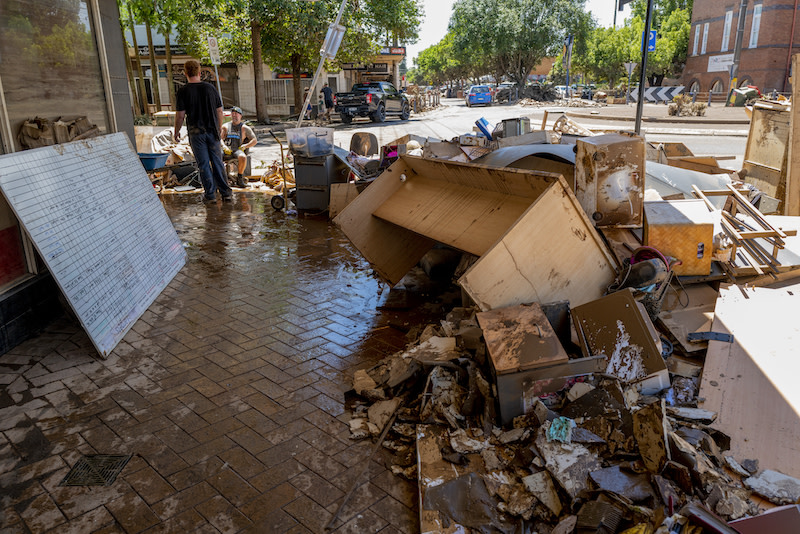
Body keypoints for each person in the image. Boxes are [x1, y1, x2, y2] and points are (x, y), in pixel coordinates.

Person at [174, 59, 232, 203]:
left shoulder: (183, 91)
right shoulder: (210, 88)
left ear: (186, 73)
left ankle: (211, 195)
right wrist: (218, 128)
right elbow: (220, 112)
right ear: (200, 73)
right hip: (212, 132)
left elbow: (180, 116)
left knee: (204, 164)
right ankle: (226, 194)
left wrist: (176, 131)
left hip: (196, 133)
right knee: (217, 162)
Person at [221, 106, 257, 188]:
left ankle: (240, 178)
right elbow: (220, 139)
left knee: (243, 157)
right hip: (227, 149)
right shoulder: (226, 126)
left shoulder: (244, 128)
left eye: (236, 114)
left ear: (240, 116)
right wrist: (223, 146)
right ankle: (220, 178)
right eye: (232, 114)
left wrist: (245, 146)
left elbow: (254, 140)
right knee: (215, 156)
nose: (234, 116)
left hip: (237, 149)